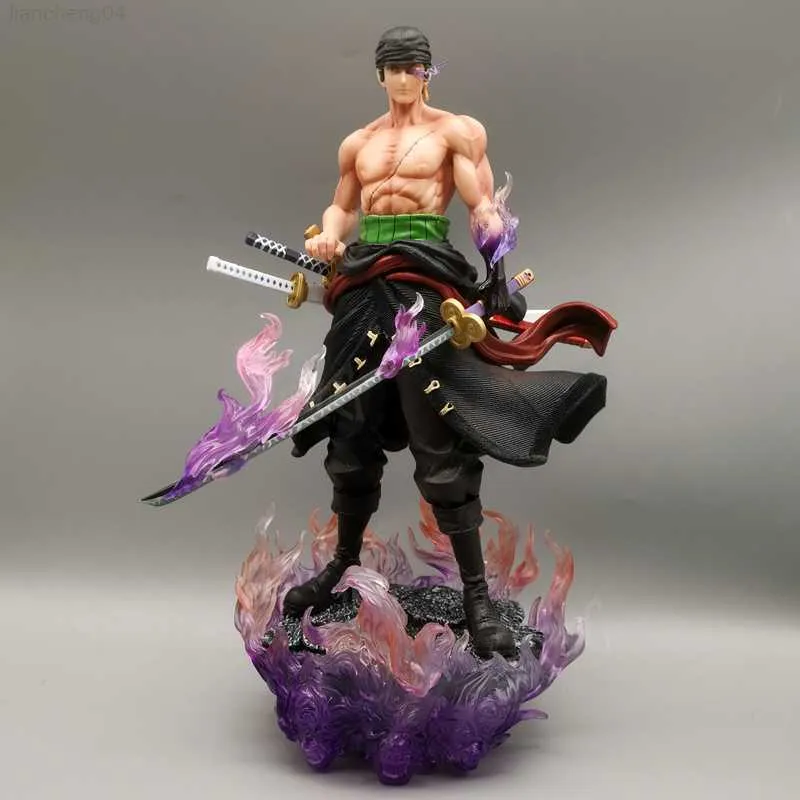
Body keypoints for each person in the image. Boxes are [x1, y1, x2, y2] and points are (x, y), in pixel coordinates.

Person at [282, 26, 616, 659]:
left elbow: (481, 203)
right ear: (379, 75)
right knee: (349, 430)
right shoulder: (358, 142)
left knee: (438, 439)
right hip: (365, 282)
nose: (404, 78)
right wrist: (329, 236)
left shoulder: (456, 132)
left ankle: (476, 598)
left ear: (428, 72)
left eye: (414, 67)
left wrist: (495, 253)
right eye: (394, 68)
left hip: (425, 278)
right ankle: (343, 565)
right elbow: (342, 208)